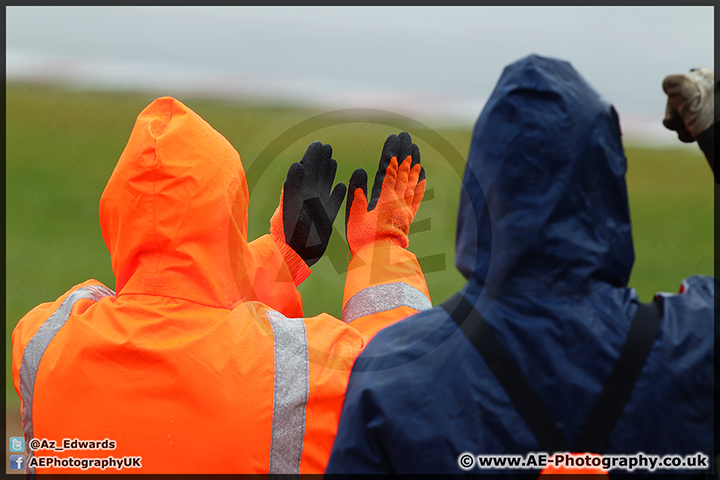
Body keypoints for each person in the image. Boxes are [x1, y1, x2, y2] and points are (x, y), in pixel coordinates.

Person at [325, 54, 716, 476]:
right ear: (606, 180)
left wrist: (379, 248)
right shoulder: (692, 345)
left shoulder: (395, 375)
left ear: (481, 191)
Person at [11, 96, 431, 474]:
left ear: (115, 216)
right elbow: (405, 377)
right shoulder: (291, 371)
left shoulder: (44, 340)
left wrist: (281, 259)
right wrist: (381, 246)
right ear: (230, 216)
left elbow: (179, 292)